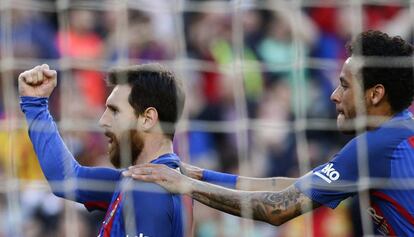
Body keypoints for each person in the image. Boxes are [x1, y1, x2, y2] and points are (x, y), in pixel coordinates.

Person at [124, 30, 414, 236]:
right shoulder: (399, 131)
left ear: (375, 95)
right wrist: (200, 175)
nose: (334, 95)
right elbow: (290, 188)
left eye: (345, 85)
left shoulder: (376, 146)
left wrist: (184, 185)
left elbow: (277, 209)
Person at [18, 63, 187, 237]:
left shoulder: (149, 192)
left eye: (114, 111)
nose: (103, 121)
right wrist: (35, 104)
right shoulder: (142, 180)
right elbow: (66, 178)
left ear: (147, 118)